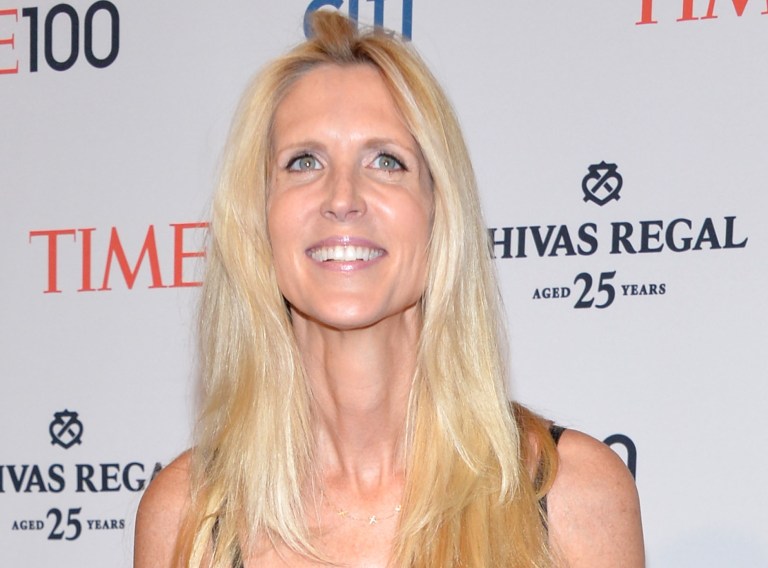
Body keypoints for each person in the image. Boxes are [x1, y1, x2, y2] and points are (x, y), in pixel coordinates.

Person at [134, 11, 644, 568]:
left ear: (438, 210)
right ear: (258, 217)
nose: (343, 197)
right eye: (303, 162)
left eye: (386, 161)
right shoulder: (189, 517)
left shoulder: (569, 494)